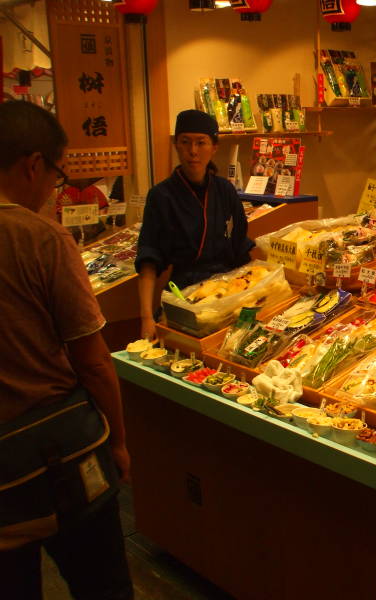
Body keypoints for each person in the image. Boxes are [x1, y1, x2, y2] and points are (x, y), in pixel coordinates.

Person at [0, 101, 132, 599]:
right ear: (34, 165)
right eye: (57, 177)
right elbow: (93, 361)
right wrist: (118, 441)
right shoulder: (40, 237)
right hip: (57, 454)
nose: (54, 190)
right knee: (103, 585)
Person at [136, 109, 255, 340]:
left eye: (201, 143)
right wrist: (146, 318)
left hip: (228, 295)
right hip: (183, 297)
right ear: (176, 145)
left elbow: (243, 248)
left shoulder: (225, 191)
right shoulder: (161, 196)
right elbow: (148, 261)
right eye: (185, 142)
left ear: (214, 147)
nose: (193, 151)